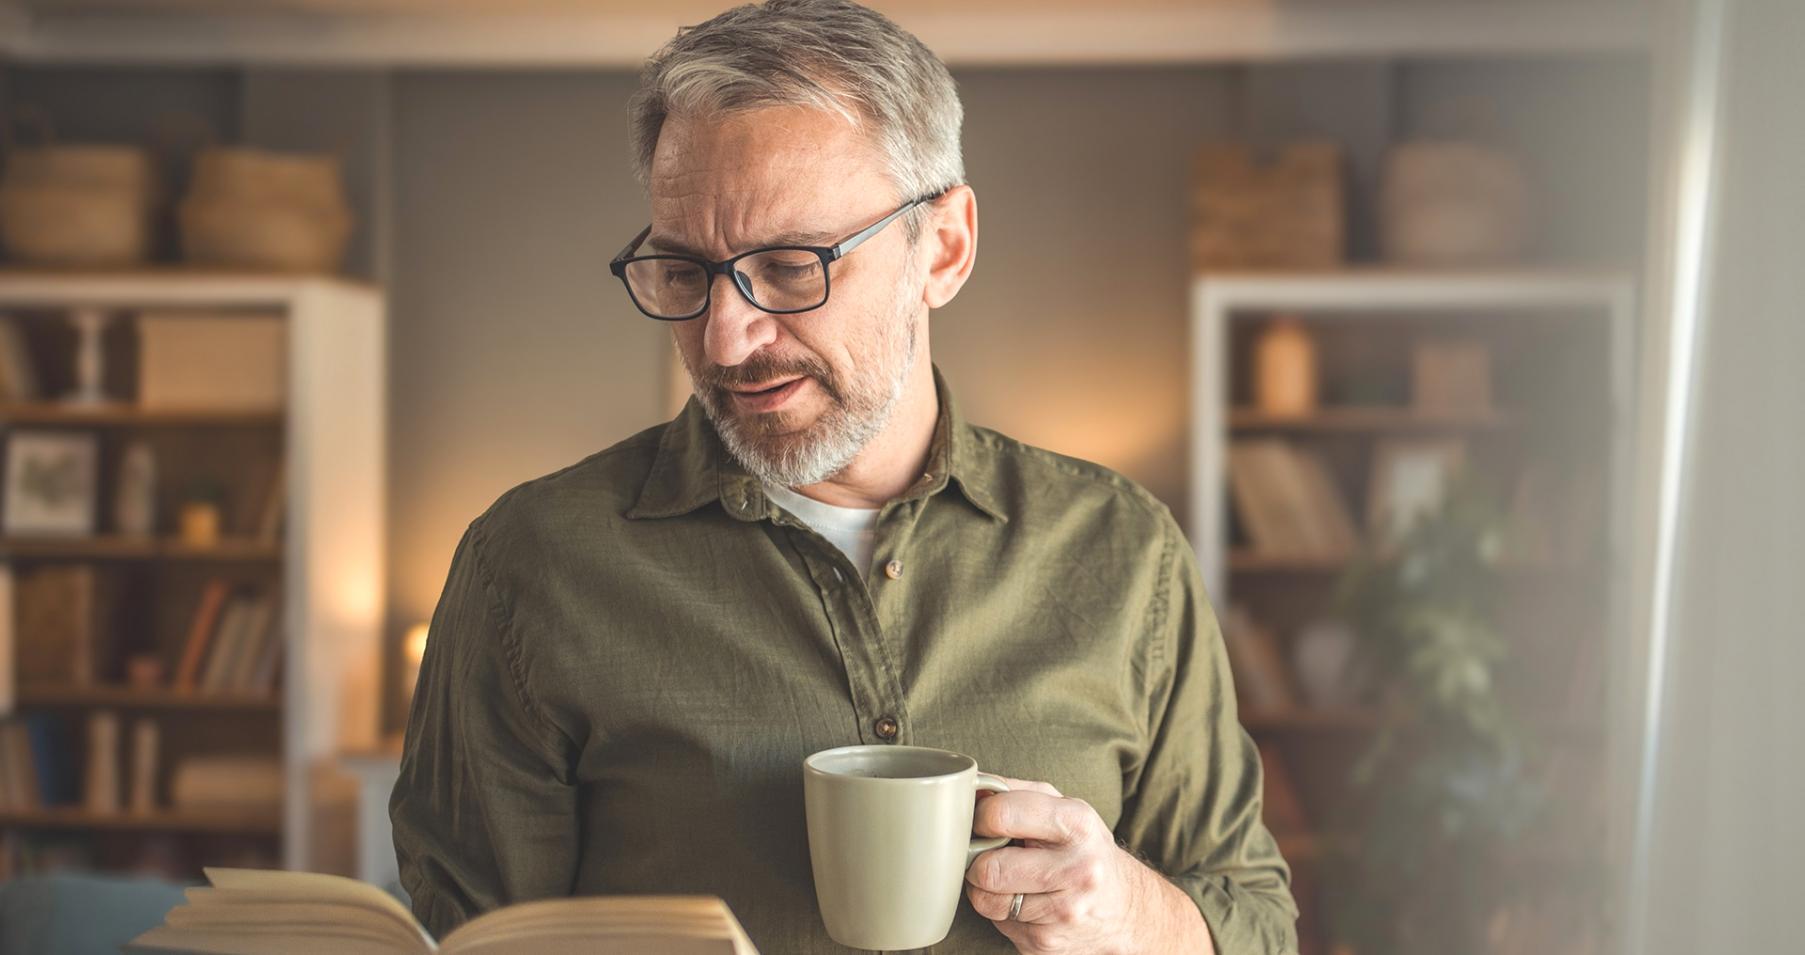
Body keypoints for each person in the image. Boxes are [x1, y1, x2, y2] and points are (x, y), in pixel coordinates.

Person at [390, 1, 1298, 951]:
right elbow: (474, 933)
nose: (725, 337)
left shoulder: (1124, 551)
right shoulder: (529, 565)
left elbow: (1255, 921)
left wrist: (1125, 911)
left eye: (789, 267)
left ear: (942, 246)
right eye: (683, 270)